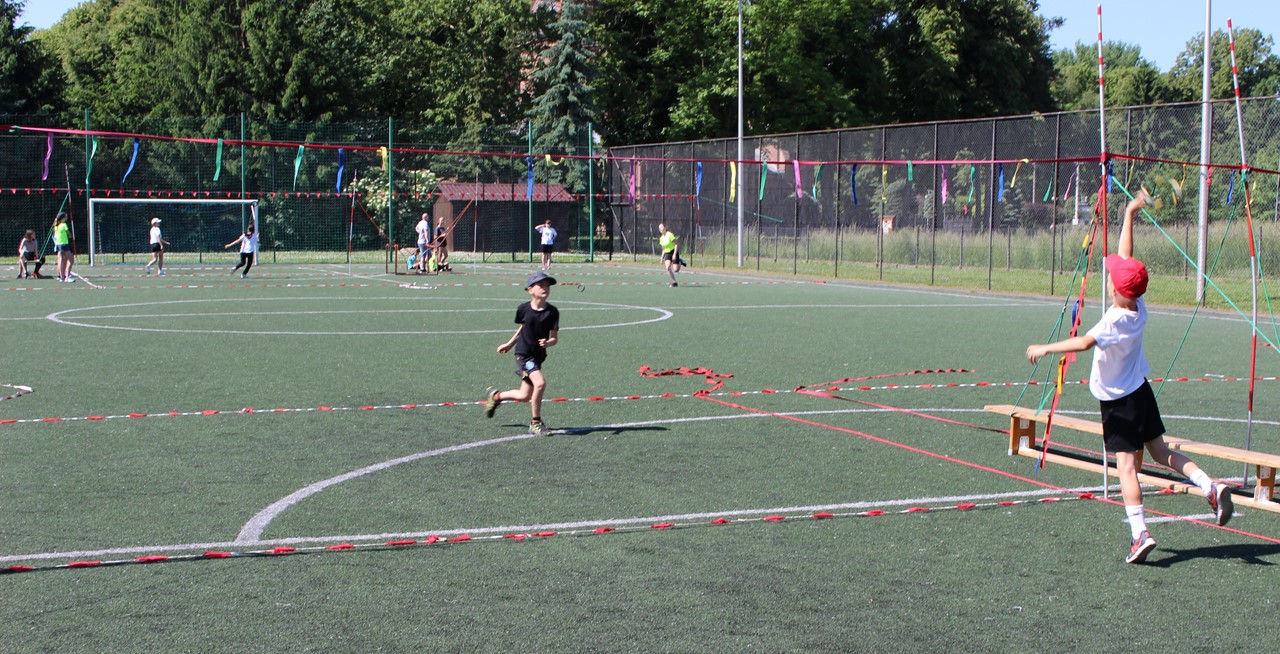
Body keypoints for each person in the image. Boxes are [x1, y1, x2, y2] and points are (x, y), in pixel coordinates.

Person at [1025, 189, 1234, 564]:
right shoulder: (1138, 307)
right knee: (1162, 452)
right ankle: (1210, 485)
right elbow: (1127, 259)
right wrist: (1129, 214)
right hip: (1140, 392)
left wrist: (1045, 348)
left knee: (1126, 468)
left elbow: (1083, 343)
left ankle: (1140, 533)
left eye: (1112, 278)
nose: (1110, 277)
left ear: (1116, 289)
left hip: (1118, 401)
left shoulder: (1113, 320)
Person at [483, 271, 561, 436]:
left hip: (538, 356)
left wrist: (548, 343)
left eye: (547, 285)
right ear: (530, 289)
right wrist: (509, 344)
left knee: (524, 395)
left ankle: (495, 396)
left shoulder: (553, 312)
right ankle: (535, 423)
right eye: (541, 285)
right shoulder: (523, 309)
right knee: (540, 383)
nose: (545, 288)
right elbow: (523, 328)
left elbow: (554, 338)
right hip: (524, 354)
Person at [52, 213, 74, 282]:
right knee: (71, 260)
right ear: (62, 218)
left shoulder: (56, 226)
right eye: (65, 217)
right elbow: (69, 235)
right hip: (64, 244)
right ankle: (67, 277)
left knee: (62, 260)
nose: (66, 218)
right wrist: (70, 236)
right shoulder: (64, 225)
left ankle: (61, 277)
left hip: (58, 244)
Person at [658, 222, 681, 287]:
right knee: (668, 267)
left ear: (665, 228)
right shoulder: (661, 238)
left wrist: (674, 254)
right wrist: (661, 258)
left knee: (676, 270)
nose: (661, 229)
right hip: (667, 253)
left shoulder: (670, 234)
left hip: (673, 251)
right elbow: (664, 249)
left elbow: (676, 245)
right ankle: (674, 282)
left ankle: (679, 261)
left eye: (662, 227)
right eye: (660, 228)